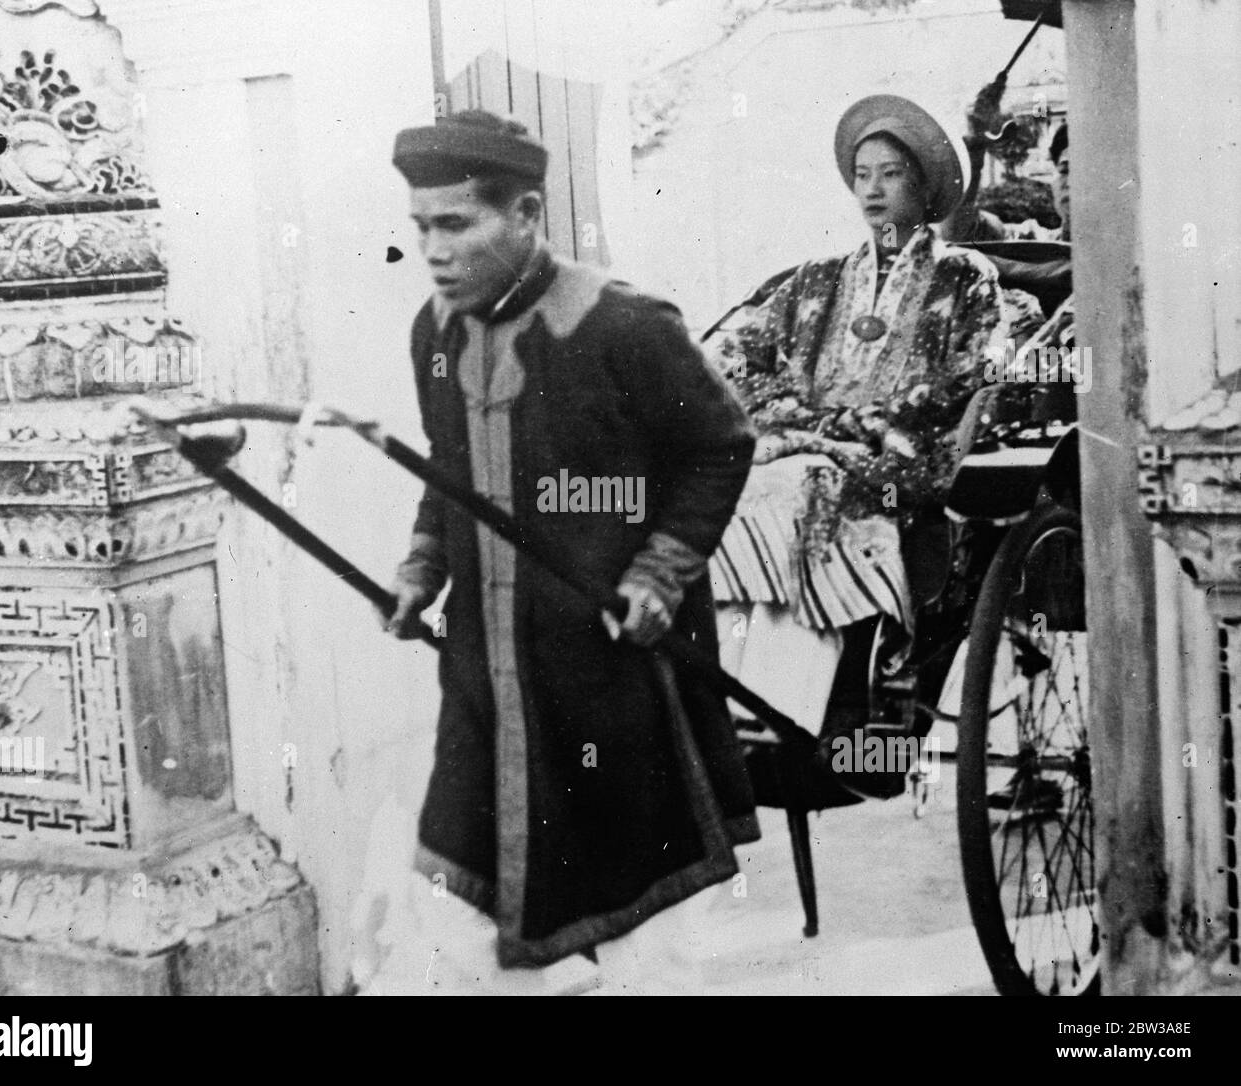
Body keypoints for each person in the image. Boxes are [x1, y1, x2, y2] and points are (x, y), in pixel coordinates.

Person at [380, 109, 758, 993]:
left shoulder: (625, 327)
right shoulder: (433, 335)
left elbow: (719, 445)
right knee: (459, 911)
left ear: (528, 213)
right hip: (486, 675)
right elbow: (450, 467)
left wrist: (661, 572)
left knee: (645, 934)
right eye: (422, 228)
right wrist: (421, 568)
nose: (435, 251)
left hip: (617, 676)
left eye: (457, 224)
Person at [711, 95, 1006, 780]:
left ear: (924, 185)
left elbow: (977, 373)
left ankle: (840, 722)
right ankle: (751, 704)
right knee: (743, 488)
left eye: (891, 173)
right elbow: (736, 351)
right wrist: (792, 412)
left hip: (901, 451)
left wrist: (869, 424)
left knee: (810, 485)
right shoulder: (816, 278)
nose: (872, 188)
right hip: (807, 442)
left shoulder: (966, 278)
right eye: (862, 173)